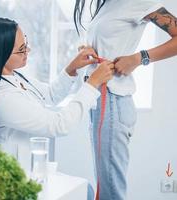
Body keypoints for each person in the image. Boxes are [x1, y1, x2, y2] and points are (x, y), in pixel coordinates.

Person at [0, 17, 113, 177]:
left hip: (27, 170)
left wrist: (72, 68)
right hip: (11, 176)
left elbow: (49, 95)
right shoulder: (3, 98)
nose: (28, 51)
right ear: (0, 54)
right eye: (21, 49)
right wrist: (92, 84)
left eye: (26, 43)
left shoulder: (15, 77)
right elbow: (58, 125)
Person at [74, 0, 177, 199]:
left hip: (112, 100)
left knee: (110, 192)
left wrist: (139, 58)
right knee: (104, 188)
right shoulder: (108, 4)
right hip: (99, 98)